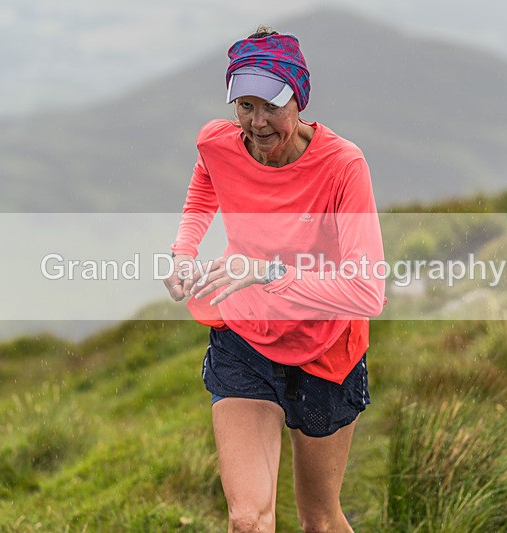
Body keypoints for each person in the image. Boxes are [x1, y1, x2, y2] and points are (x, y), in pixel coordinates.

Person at [163, 25, 385, 533]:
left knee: (320, 521)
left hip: (324, 349)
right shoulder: (218, 143)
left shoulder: (343, 166)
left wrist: (267, 272)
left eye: (272, 105)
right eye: (244, 105)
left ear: (299, 99)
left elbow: (367, 290)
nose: (257, 123)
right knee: (247, 518)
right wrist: (183, 251)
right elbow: (204, 184)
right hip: (246, 337)